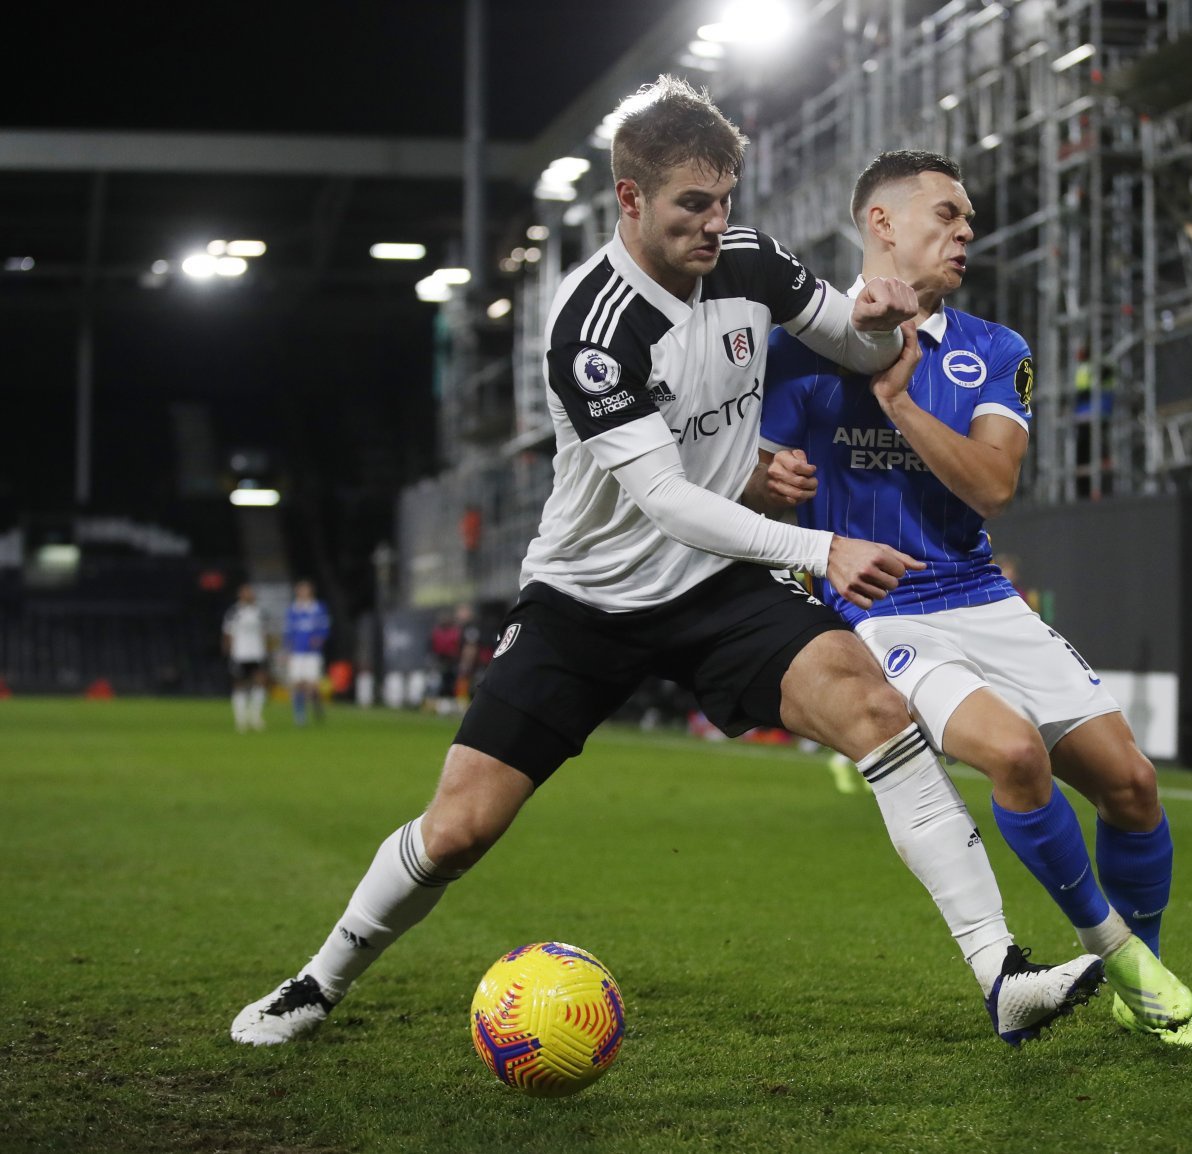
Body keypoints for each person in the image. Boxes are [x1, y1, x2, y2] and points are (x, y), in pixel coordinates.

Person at [231, 78, 1101, 1052]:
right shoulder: (594, 329)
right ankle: (317, 981)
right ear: (630, 198)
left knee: (874, 709)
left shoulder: (749, 260)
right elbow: (667, 500)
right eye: (693, 203)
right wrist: (822, 546)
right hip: (585, 598)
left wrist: (878, 316)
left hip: (714, 585)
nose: (714, 223)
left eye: (725, 198)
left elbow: (851, 342)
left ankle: (1001, 974)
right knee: (460, 827)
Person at [753, 149, 1192, 1045]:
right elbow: (752, 482)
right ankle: (1125, 960)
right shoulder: (798, 348)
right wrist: (772, 484)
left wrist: (898, 404)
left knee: (1132, 785)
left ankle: (1137, 978)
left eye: (969, 219)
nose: (967, 230)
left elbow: (994, 487)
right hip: (885, 612)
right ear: (882, 222)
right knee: (1012, 754)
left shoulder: (995, 349)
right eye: (947, 213)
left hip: (982, 594)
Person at [222, 584, 269, 733]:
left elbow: (265, 633)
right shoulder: (234, 612)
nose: (248, 595)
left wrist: (267, 650)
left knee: (260, 683)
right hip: (240, 654)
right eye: (245, 592)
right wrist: (228, 652)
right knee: (239, 685)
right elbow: (227, 633)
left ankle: (255, 717)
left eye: (250, 592)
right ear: (240, 594)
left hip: (257, 653)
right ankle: (241, 719)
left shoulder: (260, 612)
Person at [284, 580, 331, 726]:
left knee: (313, 685)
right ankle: (300, 715)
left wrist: (320, 639)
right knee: (297, 684)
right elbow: (288, 632)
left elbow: (325, 627)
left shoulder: (318, 608)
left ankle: (317, 705)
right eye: (301, 590)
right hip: (297, 652)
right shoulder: (293, 610)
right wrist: (287, 650)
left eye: (305, 590)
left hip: (312, 652)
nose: (303, 592)